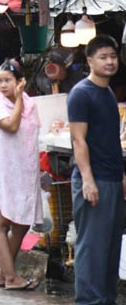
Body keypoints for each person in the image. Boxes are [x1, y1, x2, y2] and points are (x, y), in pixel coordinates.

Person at [67, 35, 125, 305]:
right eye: (103, 57)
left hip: (112, 178)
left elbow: (110, 139)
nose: (110, 62)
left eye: (112, 57)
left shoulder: (108, 92)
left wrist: (121, 175)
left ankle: (106, 300)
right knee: (92, 247)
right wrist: (88, 181)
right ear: (90, 61)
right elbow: (78, 140)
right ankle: (89, 301)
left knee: (111, 248)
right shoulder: (81, 93)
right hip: (93, 180)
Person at [0, 60, 42, 291]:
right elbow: (12, 126)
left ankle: (2, 274)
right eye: (0, 80)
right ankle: (11, 278)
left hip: (23, 171)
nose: (2, 85)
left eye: (7, 80)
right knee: (0, 224)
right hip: (1, 171)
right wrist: (17, 99)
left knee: (20, 224)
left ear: (20, 82)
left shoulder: (31, 104)